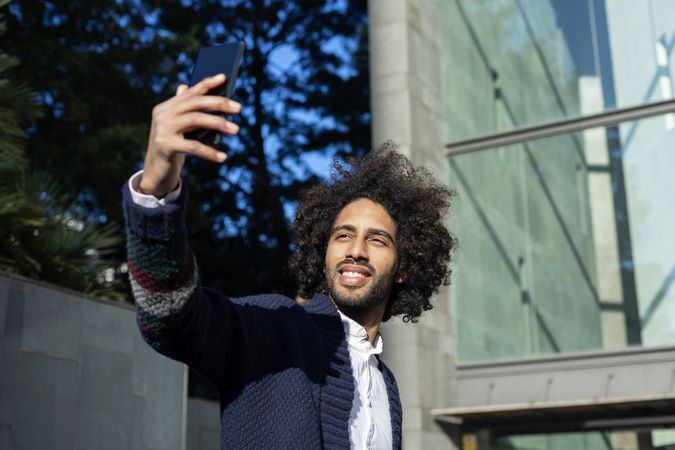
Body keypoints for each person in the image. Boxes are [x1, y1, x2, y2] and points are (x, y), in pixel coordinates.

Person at [122, 74, 455, 449]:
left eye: (377, 240)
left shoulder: (386, 387)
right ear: (323, 251)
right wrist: (154, 195)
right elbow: (170, 318)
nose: (356, 249)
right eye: (342, 235)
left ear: (405, 268)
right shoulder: (276, 329)